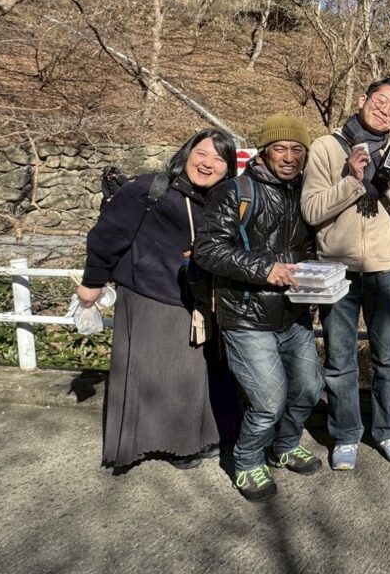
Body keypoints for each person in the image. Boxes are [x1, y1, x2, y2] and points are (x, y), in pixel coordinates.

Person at [77, 128, 238, 471]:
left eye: (218, 159)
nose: (207, 164)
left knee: (193, 372)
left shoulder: (221, 201)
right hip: (149, 291)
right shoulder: (151, 189)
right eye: (201, 154)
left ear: (228, 167)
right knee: (158, 372)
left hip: (196, 297)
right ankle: (170, 444)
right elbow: (108, 235)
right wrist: (92, 282)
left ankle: (195, 438)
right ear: (186, 153)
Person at [194, 114, 323, 502]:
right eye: (280, 148)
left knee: (308, 388)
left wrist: (319, 279)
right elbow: (208, 250)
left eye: (297, 149)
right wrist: (267, 269)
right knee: (268, 402)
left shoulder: (305, 192)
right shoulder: (234, 192)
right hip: (247, 315)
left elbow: (308, 247)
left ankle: (285, 446)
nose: (289, 157)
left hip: (294, 312)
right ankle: (247, 461)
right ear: (264, 152)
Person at [301, 77, 390, 470]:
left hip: (385, 266)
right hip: (337, 267)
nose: (385, 110)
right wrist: (352, 181)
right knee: (339, 359)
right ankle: (345, 434)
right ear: (362, 99)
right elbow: (311, 210)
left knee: (388, 357)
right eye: (380, 101)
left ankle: (388, 431)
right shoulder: (327, 146)